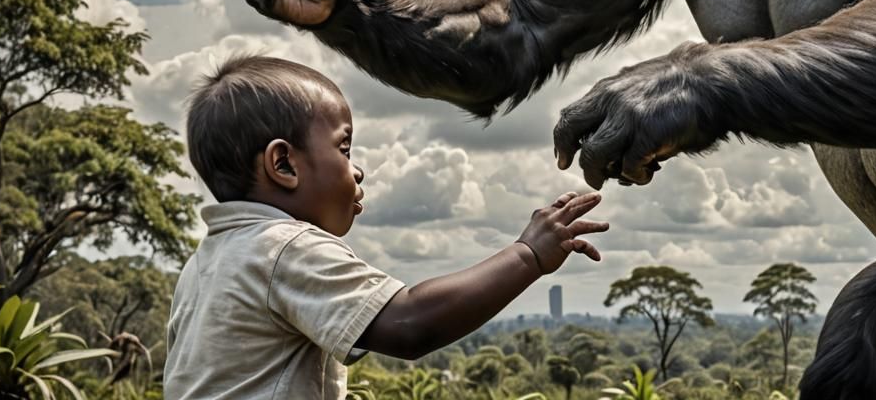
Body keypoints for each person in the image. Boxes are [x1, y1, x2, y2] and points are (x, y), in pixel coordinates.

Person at [163, 54, 608, 399]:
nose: (357, 172)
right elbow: (411, 322)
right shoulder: (282, 248)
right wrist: (527, 254)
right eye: (345, 149)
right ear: (283, 163)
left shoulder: (205, 266)